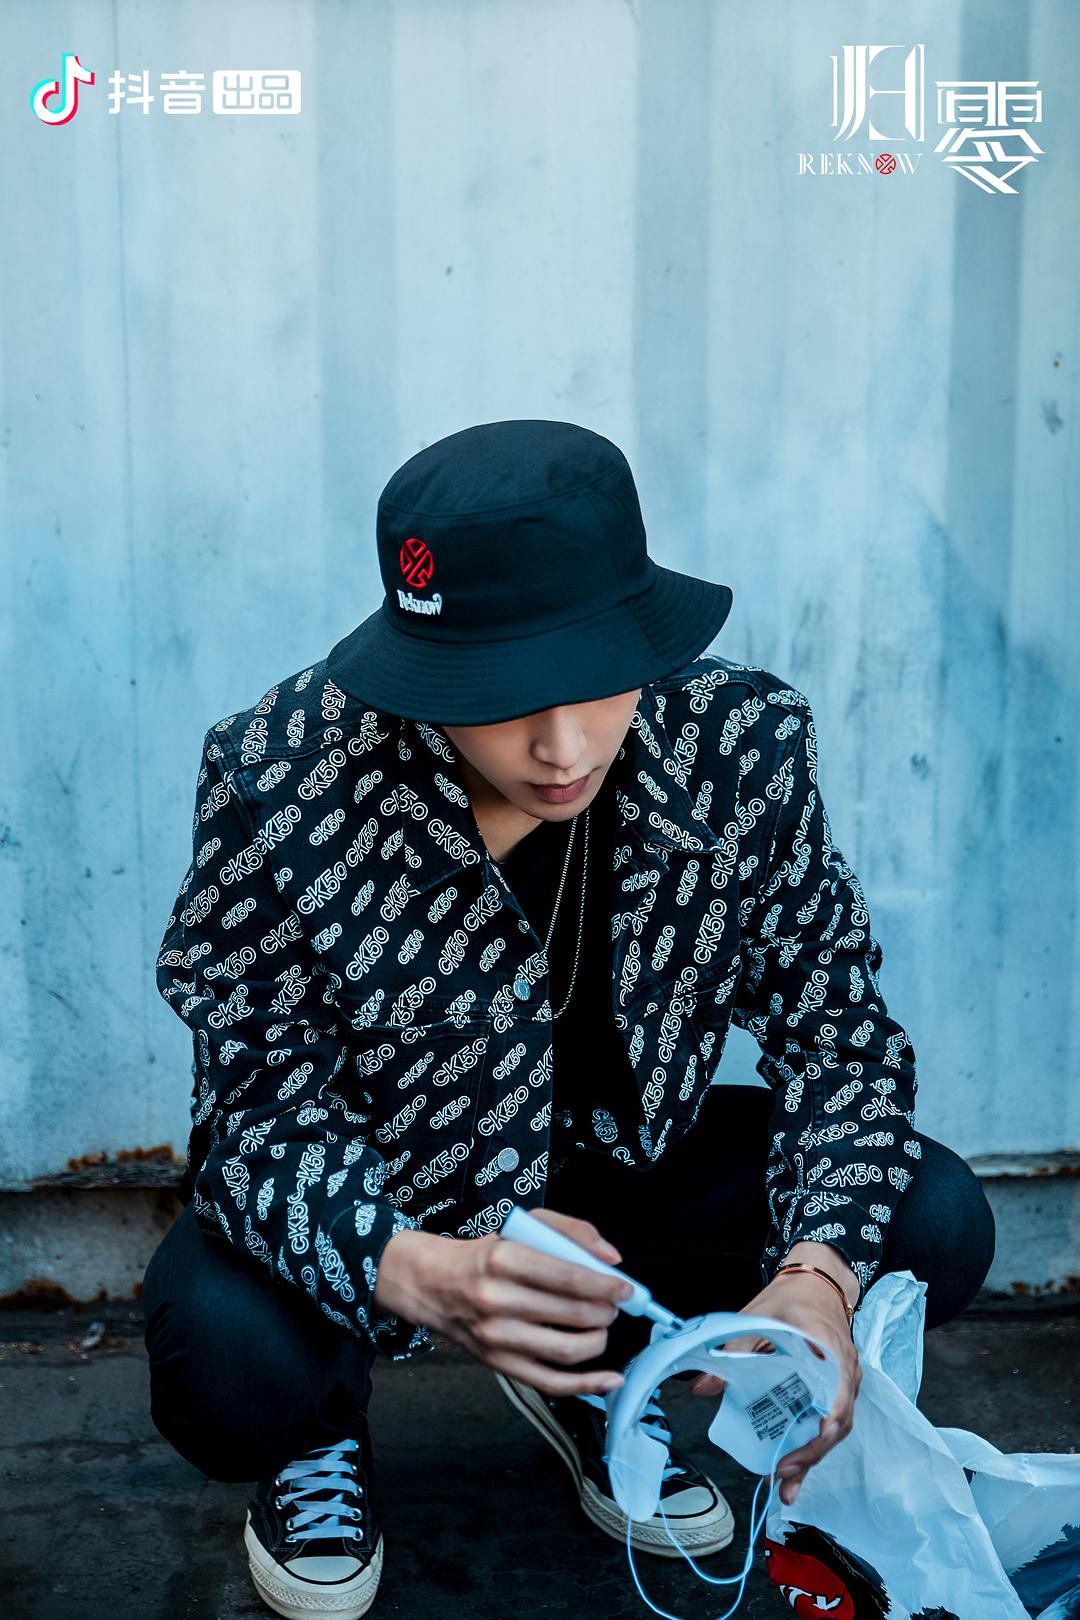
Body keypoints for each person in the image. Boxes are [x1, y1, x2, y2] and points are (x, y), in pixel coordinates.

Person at [142, 419, 996, 1619]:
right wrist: (412, 1268)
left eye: (597, 678)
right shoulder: (282, 775)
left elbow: (841, 1036)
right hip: (386, 1197)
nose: (562, 745)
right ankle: (317, 1434)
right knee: (226, 1359)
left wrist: (817, 1278)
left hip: (620, 1186)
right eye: (500, 698)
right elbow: (255, 1114)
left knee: (926, 1214)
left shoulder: (736, 746)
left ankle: (604, 1377)